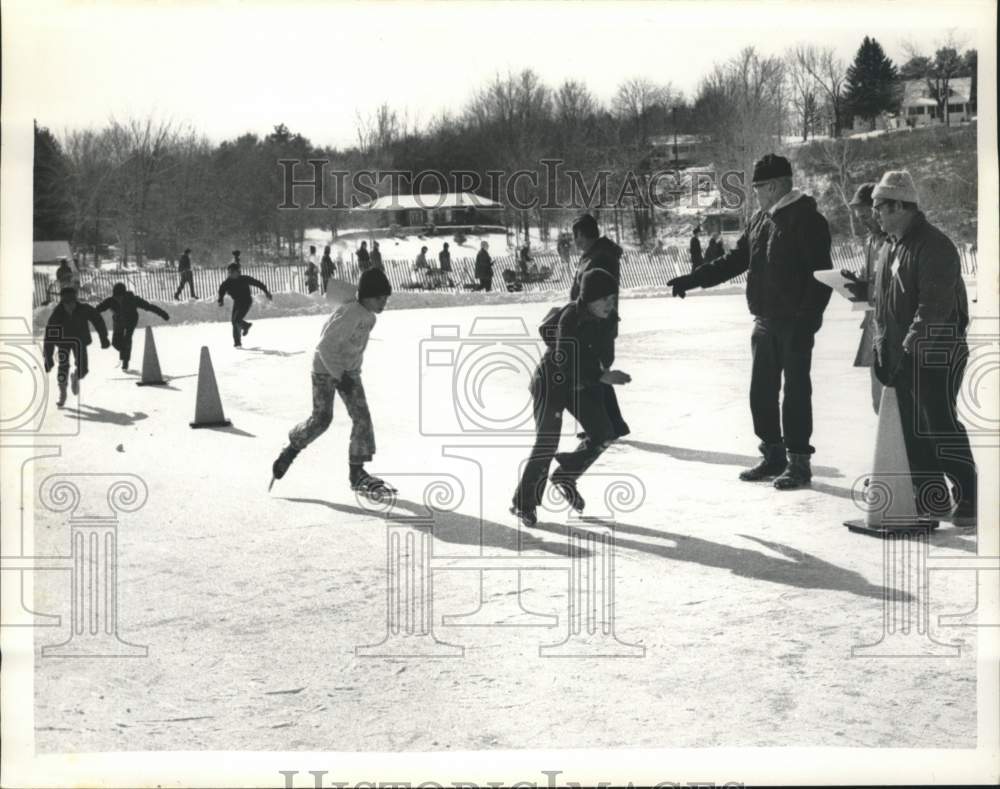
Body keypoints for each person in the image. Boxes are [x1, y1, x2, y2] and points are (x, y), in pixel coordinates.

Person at [666, 153, 833, 489]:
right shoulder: (760, 219)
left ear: (775, 186)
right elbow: (734, 261)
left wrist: (807, 322)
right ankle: (773, 455)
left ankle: (799, 463)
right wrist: (692, 279)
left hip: (795, 322)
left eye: (758, 187)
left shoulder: (807, 220)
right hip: (764, 320)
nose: (755, 193)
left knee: (796, 393)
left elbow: (820, 276)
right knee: (762, 393)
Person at [869, 170, 976, 528]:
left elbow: (933, 308)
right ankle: (933, 496)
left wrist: (911, 348)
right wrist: (882, 349)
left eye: (881, 207)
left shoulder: (935, 246)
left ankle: (970, 496)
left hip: (936, 351)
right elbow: (883, 307)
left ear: (901, 206)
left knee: (937, 425)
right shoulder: (889, 247)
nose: (876, 214)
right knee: (910, 430)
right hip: (902, 353)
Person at [510, 269, 631, 527]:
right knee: (547, 442)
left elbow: (605, 357)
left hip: (581, 383)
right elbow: (565, 362)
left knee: (604, 432)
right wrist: (600, 376)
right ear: (588, 298)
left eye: (613, 298)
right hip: (552, 383)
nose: (610, 305)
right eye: (604, 299)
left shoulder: (609, 319)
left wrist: (601, 371)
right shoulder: (570, 318)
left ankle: (566, 475)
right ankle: (524, 503)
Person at [270, 268, 395, 494]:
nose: (384, 302)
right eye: (380, 297)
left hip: (348, 372)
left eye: (386, 298)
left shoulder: (369, 317)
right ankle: (290, 450)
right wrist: (340, 376)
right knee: (322, 419)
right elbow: (325, 346)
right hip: (325, 370)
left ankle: (356, 472)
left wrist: (351, 373)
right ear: (367, 295)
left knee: (362, 418)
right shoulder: (351, 313)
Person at [569, 213, 630, 440]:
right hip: (590, 320)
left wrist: (595, 321)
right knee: (597, 372)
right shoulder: (593, 255)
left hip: (597, 323)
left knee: (594, 372)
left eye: (576, 236)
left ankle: (607, 426)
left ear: (584, 235)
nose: (574, 242)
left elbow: (601, 294)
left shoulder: (601, 257)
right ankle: (614, 424)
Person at [841, 182, 888, 414]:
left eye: (865, 215)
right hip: (874, 328)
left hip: (891, 331)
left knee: (894, 405)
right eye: (859, 217)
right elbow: (869, 280)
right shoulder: (871, 241)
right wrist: (854, 286)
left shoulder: (895, 240)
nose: (862, 221)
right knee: (878, 402)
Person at [43, 287, 110, 407]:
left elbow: (98, 320)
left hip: (80, 341)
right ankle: (62, 393)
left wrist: (103, 338)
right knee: (63, 366)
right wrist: (48, 358)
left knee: (83, 369)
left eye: (72, 303)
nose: (70, 306)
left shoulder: (84, 309)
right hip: (63, 342)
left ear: (75, 301)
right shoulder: (57, 313)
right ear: (62, 302)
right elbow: (49, 336)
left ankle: (76, 376)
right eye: (67, 304)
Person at [96, 282, 170, 370]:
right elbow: (97, 309)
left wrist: (163, 314)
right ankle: (124, 352)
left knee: (127, 339)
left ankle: (125, 361)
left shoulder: (132, 299)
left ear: (124, 295)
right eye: (116, 297)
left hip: (131, 321)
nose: (118, 299)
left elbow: (148, 306)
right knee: (116, 343)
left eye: (120, 297)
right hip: (118, 322)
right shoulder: (110, 301)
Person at [217, 263, 272, 347]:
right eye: (229, 272)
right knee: (234, 321)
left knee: (237, 320)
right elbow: (221, 290)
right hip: (237, 302)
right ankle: (237, 342)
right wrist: (220, 299)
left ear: (238, 272)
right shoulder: (227, 282)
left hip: (246, 301)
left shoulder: (244, 279)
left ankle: (246, 326)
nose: (230, 274)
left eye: (232, 272)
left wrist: (266, 291)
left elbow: (258, 283)